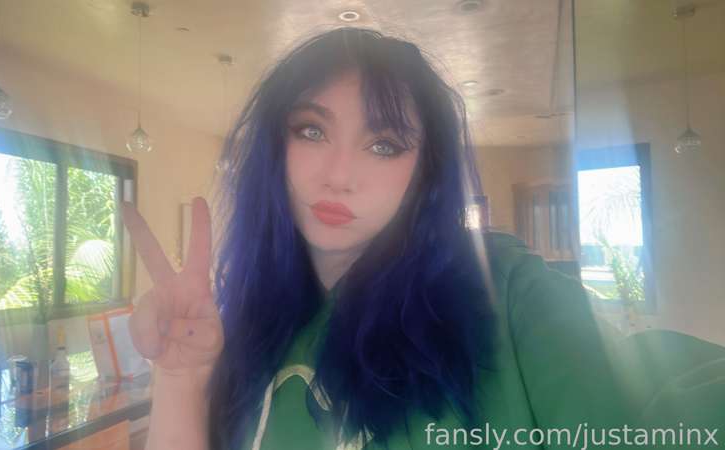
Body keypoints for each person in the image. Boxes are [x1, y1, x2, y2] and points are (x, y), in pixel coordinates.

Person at [121, 28, 725, 450]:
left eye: (384, 145)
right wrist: (179, 379)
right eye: (311, 130)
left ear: (424, 173)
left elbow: (660, 408)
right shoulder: (241, 329)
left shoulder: (503, 292)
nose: (339, 174)